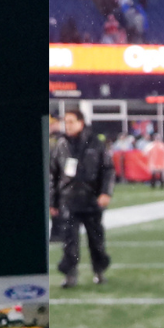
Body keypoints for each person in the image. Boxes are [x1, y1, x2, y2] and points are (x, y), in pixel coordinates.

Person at [48, 109, 114, 288]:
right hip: (68, 200)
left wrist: (105, 192)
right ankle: (70, 275)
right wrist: (52, 202)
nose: (67, 125)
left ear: (81, 122)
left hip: (92, 200)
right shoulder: (60, 144)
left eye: (71, 121)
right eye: (65, 122)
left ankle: (99, 272)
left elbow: (107, 169)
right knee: (69, 241)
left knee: (96, 240)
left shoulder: (96, 143)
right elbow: (52, 174)